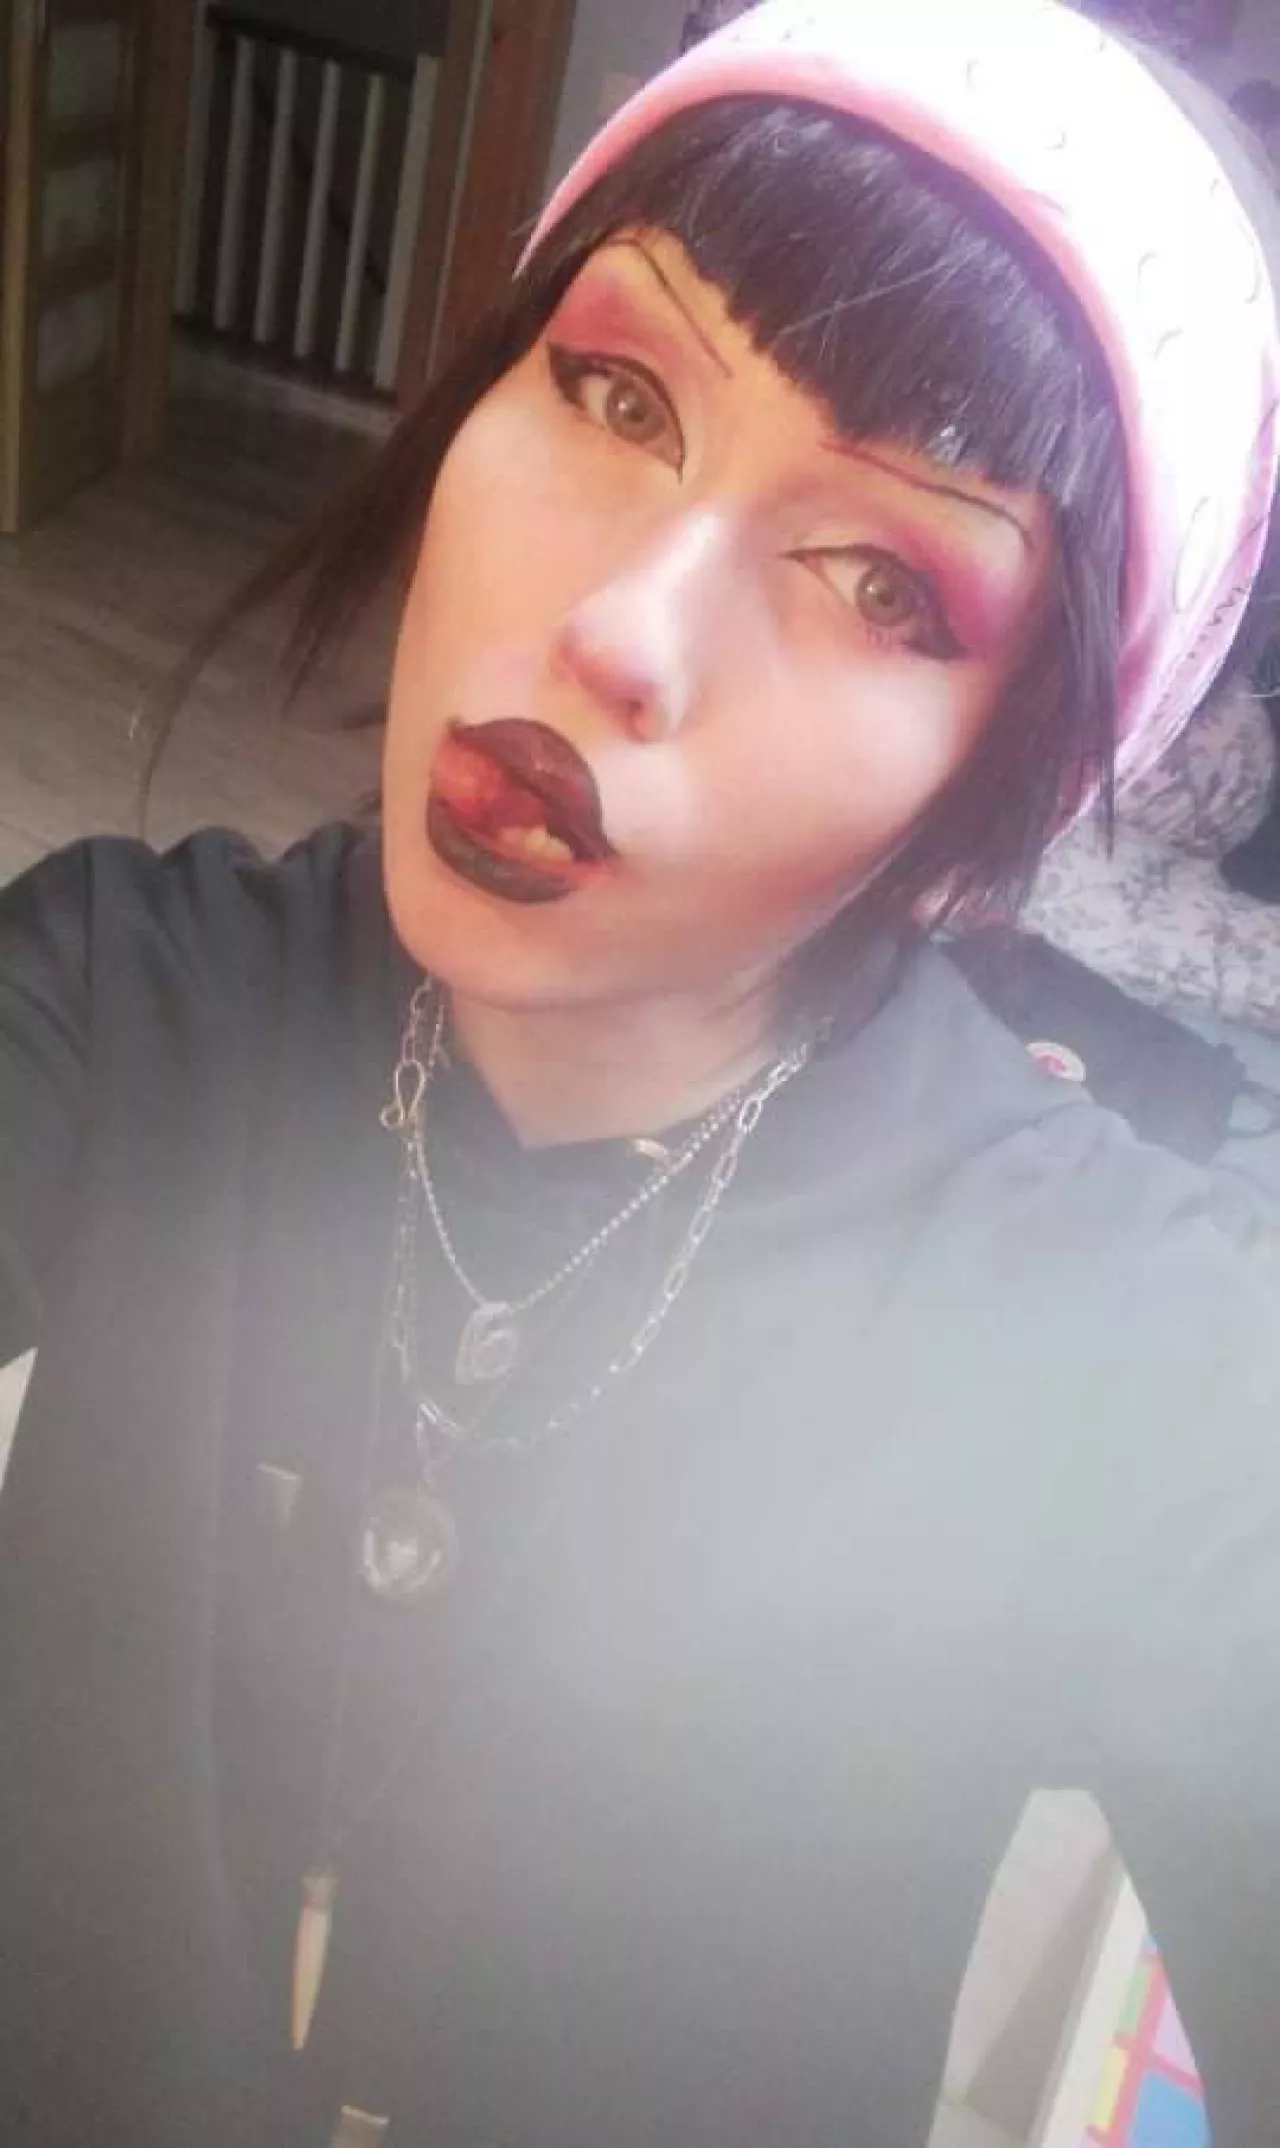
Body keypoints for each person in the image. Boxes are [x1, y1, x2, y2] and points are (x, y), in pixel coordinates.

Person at [2, 4, 1279, 2144]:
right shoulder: (134, 1005)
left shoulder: (1123, 1338)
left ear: (990, 811)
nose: (621, 630)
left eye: (879, 582)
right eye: (616, 391)